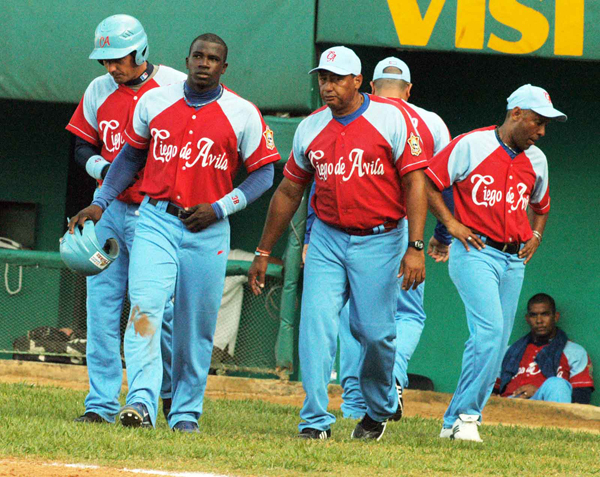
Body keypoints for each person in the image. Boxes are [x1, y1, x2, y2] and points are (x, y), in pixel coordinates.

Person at [68, 33, 280, 433]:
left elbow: (265, 171)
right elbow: (130, 155)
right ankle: (142, 403)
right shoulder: (156, 100)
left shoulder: (242, 112)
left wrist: (222, 206)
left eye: (212, 59)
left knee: (195, 328)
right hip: (156, 220)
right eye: (198, 56)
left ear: (223, 67)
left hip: (209, 228)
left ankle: (184, 414)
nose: (204, 63)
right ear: (187, 59)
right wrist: (102, 201)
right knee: (145, 309)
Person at [249, 46, 428, 441]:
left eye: (336, 78)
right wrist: (263, 250)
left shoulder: (391, 119)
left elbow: (416, 182)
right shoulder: (311, 127)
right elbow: (289, 190)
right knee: (316, 328)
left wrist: (416, 246)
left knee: (376, 333)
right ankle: (314, 421)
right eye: (323, 78)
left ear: (357, 81)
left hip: (381, 238)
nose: (327, 86)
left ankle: (379, 407)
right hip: (329, 237)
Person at [301, 56, 453, 420]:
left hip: (370, 230)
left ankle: (357, 401)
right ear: (410, 88)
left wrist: (309, 232)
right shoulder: (430, 122)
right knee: (404, 316)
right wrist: (440, 236)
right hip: (399, 231)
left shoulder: (369, 117)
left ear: (367, 85)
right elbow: (441, 186)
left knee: (352, 319)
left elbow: (322, 183)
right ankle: (391, 378)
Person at [425, 84, 567, 442]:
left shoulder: (537, 160)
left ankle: (450, 422)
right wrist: (450, 225)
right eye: (537, 122)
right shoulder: (472, 144)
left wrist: (536, 236)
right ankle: (468, 417)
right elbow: (427, 182)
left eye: (545, 125)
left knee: (492, 342)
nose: (541, 131)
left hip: (513, 259)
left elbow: (542, 206)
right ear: (516, 113)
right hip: (475, 250)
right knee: (488, 333)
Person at [65, 14, 186, 424]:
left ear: (141, 50)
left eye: (119, 58)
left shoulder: (174, 84)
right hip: (111, 209)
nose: (112, 67)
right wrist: (103, 170)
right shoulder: (99, 89)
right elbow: (82, 145)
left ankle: (162, 394)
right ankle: (100, 405)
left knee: (156, 312)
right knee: (101, 308)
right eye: (106, 59)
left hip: (156, 212)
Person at [495, 293, 594, 404]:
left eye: (545, 314)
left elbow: (582, 400)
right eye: (533, 315)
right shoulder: (509, 351)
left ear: (555, 317)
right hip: (510, 407)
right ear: (527, 319)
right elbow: (490, 390)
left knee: (557, 384)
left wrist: (539, 392)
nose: (539, 321)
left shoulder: (575, 352)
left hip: (550, 409)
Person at [212, 249, 283, 363]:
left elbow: (274, 264)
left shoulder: (229, 255)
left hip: (214, 345)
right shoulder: (179, 255)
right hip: (180, 340)